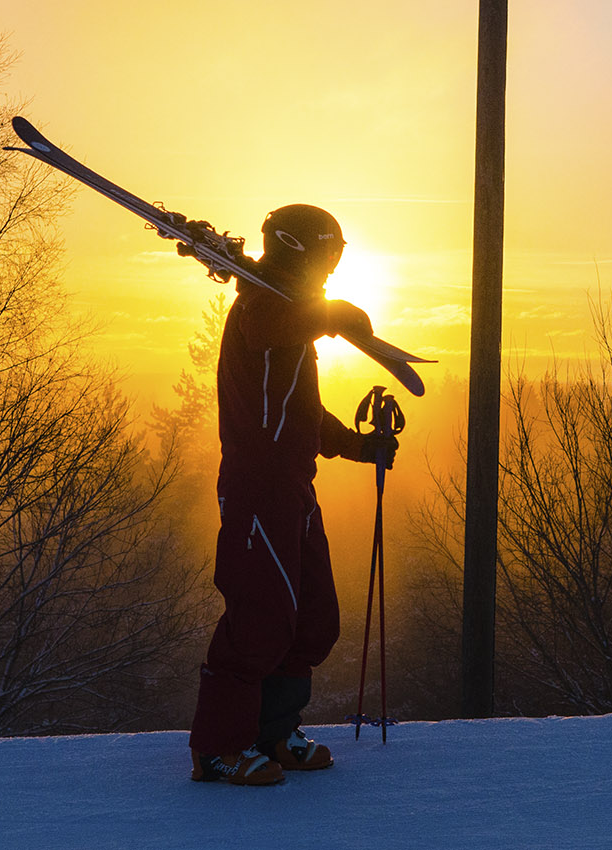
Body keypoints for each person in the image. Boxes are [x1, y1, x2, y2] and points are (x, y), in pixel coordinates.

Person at [189, 204, 396, 786]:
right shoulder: (262, 305)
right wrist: (328, 315)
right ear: (298, 249)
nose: (332, 267)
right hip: (256, 491)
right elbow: (270, 325)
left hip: (293, 490)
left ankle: (273, 732)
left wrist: (360, 448)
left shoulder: (291, 313)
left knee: (313, 619)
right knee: (258, 619)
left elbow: (301, 413)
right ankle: (220, 747)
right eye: (328, 255)